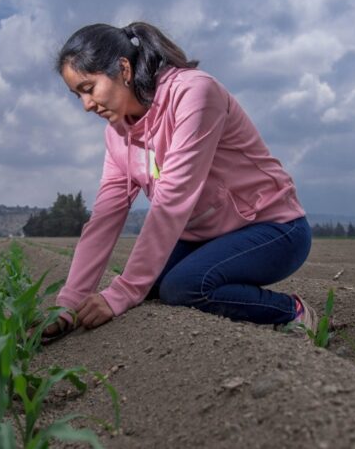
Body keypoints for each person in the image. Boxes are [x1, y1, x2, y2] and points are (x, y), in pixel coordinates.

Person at [45, 21, 314, 340]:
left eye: (89, 89)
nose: (86, 106)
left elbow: (172, 200)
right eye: (77, 96)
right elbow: (105, 217)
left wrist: (123, 292)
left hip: (272, 228)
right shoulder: (117, 134)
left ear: (123, 68)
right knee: (149, 285)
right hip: (203, 236)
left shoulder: (194, 93)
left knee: (183, 287)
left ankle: (291, 311)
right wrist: (68, 303)